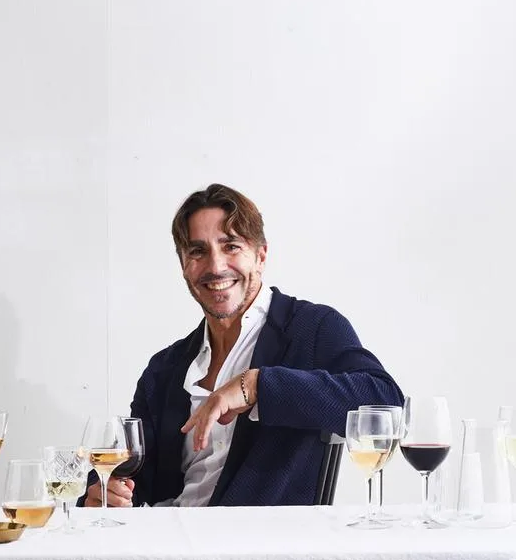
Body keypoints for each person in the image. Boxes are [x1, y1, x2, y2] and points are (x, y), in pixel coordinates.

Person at [83, 183, 402, 508]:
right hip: (170, 542)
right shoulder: (164, 368)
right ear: (183, 265)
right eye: (197, 251)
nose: (215, 266)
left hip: (261, 550)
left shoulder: (311, 328)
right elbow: (133, 471)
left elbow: (387, 404)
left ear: (260, 256)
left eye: (231, 246)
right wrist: (102, 492)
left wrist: (257, 386)